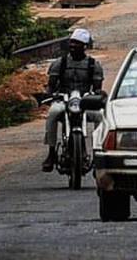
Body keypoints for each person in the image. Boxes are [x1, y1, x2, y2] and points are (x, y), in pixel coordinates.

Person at [42, 28, 103, 171]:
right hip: (63, 100)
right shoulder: (60, 63)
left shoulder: (93, 65)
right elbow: (51, 85)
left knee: (100, 117)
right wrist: (49, 96)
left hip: (84, 101)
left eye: (77, 43)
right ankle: (51, 153)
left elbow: (97, 88)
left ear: (85, 46)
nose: (73, 46)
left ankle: (98, 153)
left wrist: (99, 97)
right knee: (52, 114)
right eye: (72, 42)